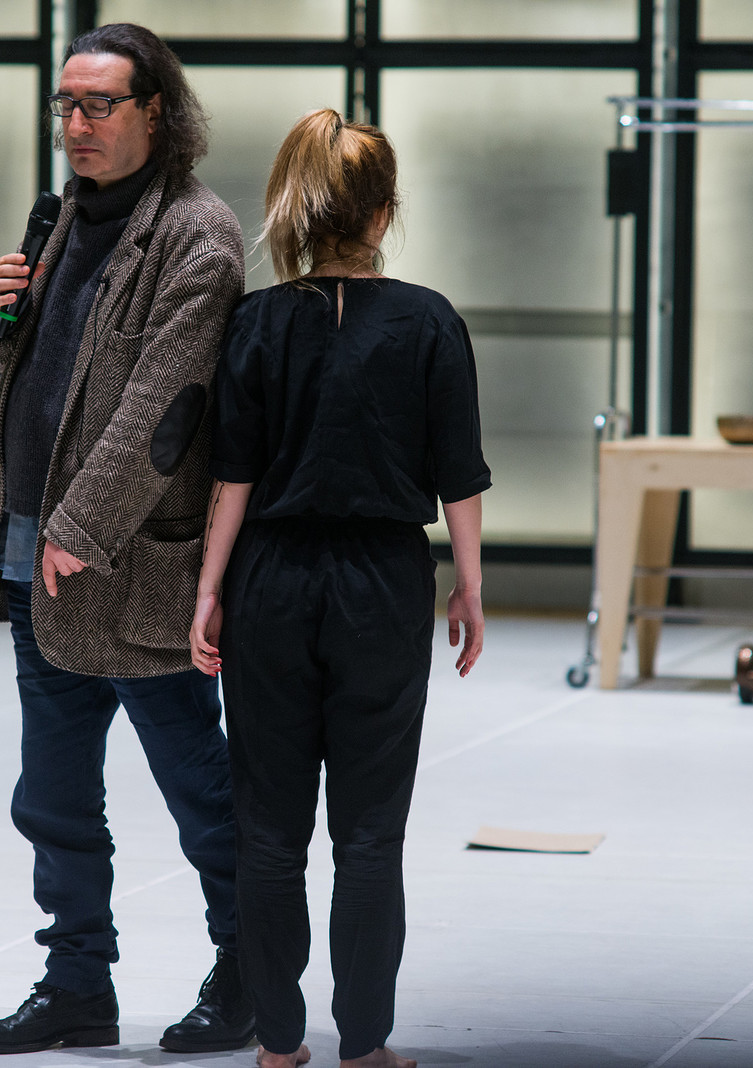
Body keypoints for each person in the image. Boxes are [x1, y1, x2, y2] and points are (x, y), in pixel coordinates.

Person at [0, 22, 253, 1056]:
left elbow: (165, 407)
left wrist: (83, 525)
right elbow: (2, 357)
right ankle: (76, 982)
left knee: (199, 788)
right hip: (31, 549)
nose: (76, 125)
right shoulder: (61, 218)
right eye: (65, 106)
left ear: (155, 112)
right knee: (52, 796)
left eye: (98, 105)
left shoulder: (198, 235)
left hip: (127, 565)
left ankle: (250, 972)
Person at [190, 109, 491, 1068]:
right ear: (383, 213)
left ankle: (279, 1048)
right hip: (383, 583)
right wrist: (469, 588)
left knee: (269, 831)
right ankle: (364, 1048)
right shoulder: (429, 320)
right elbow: (459, 475)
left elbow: (232, 476)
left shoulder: (256, 321)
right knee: (368, 833)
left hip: (270, 580)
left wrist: (209, 590)